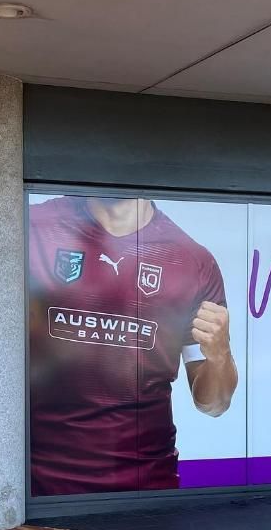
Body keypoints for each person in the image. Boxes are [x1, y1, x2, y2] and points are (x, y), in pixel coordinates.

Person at [29, 195, 238, 496]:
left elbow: (213, 404)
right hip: (39, 490)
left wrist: (220, 355)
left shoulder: (193, 262)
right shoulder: (33, 225)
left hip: (144, 491)